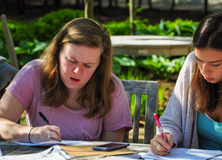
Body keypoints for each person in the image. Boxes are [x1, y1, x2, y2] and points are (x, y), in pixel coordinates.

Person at [0, 18, 132, 143]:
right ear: (57, 52)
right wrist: (31, 133)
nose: (77, 71)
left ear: (99, 65)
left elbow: (111, 149)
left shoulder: (110, 87)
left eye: (88, 65)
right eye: (71, 61)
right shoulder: (34, 72)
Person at [150, 11, 222, 156]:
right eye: (200, 60)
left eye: (215, 64)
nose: (204, 71)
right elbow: (171, 120)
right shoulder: (192, 65)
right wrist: (166, 135)